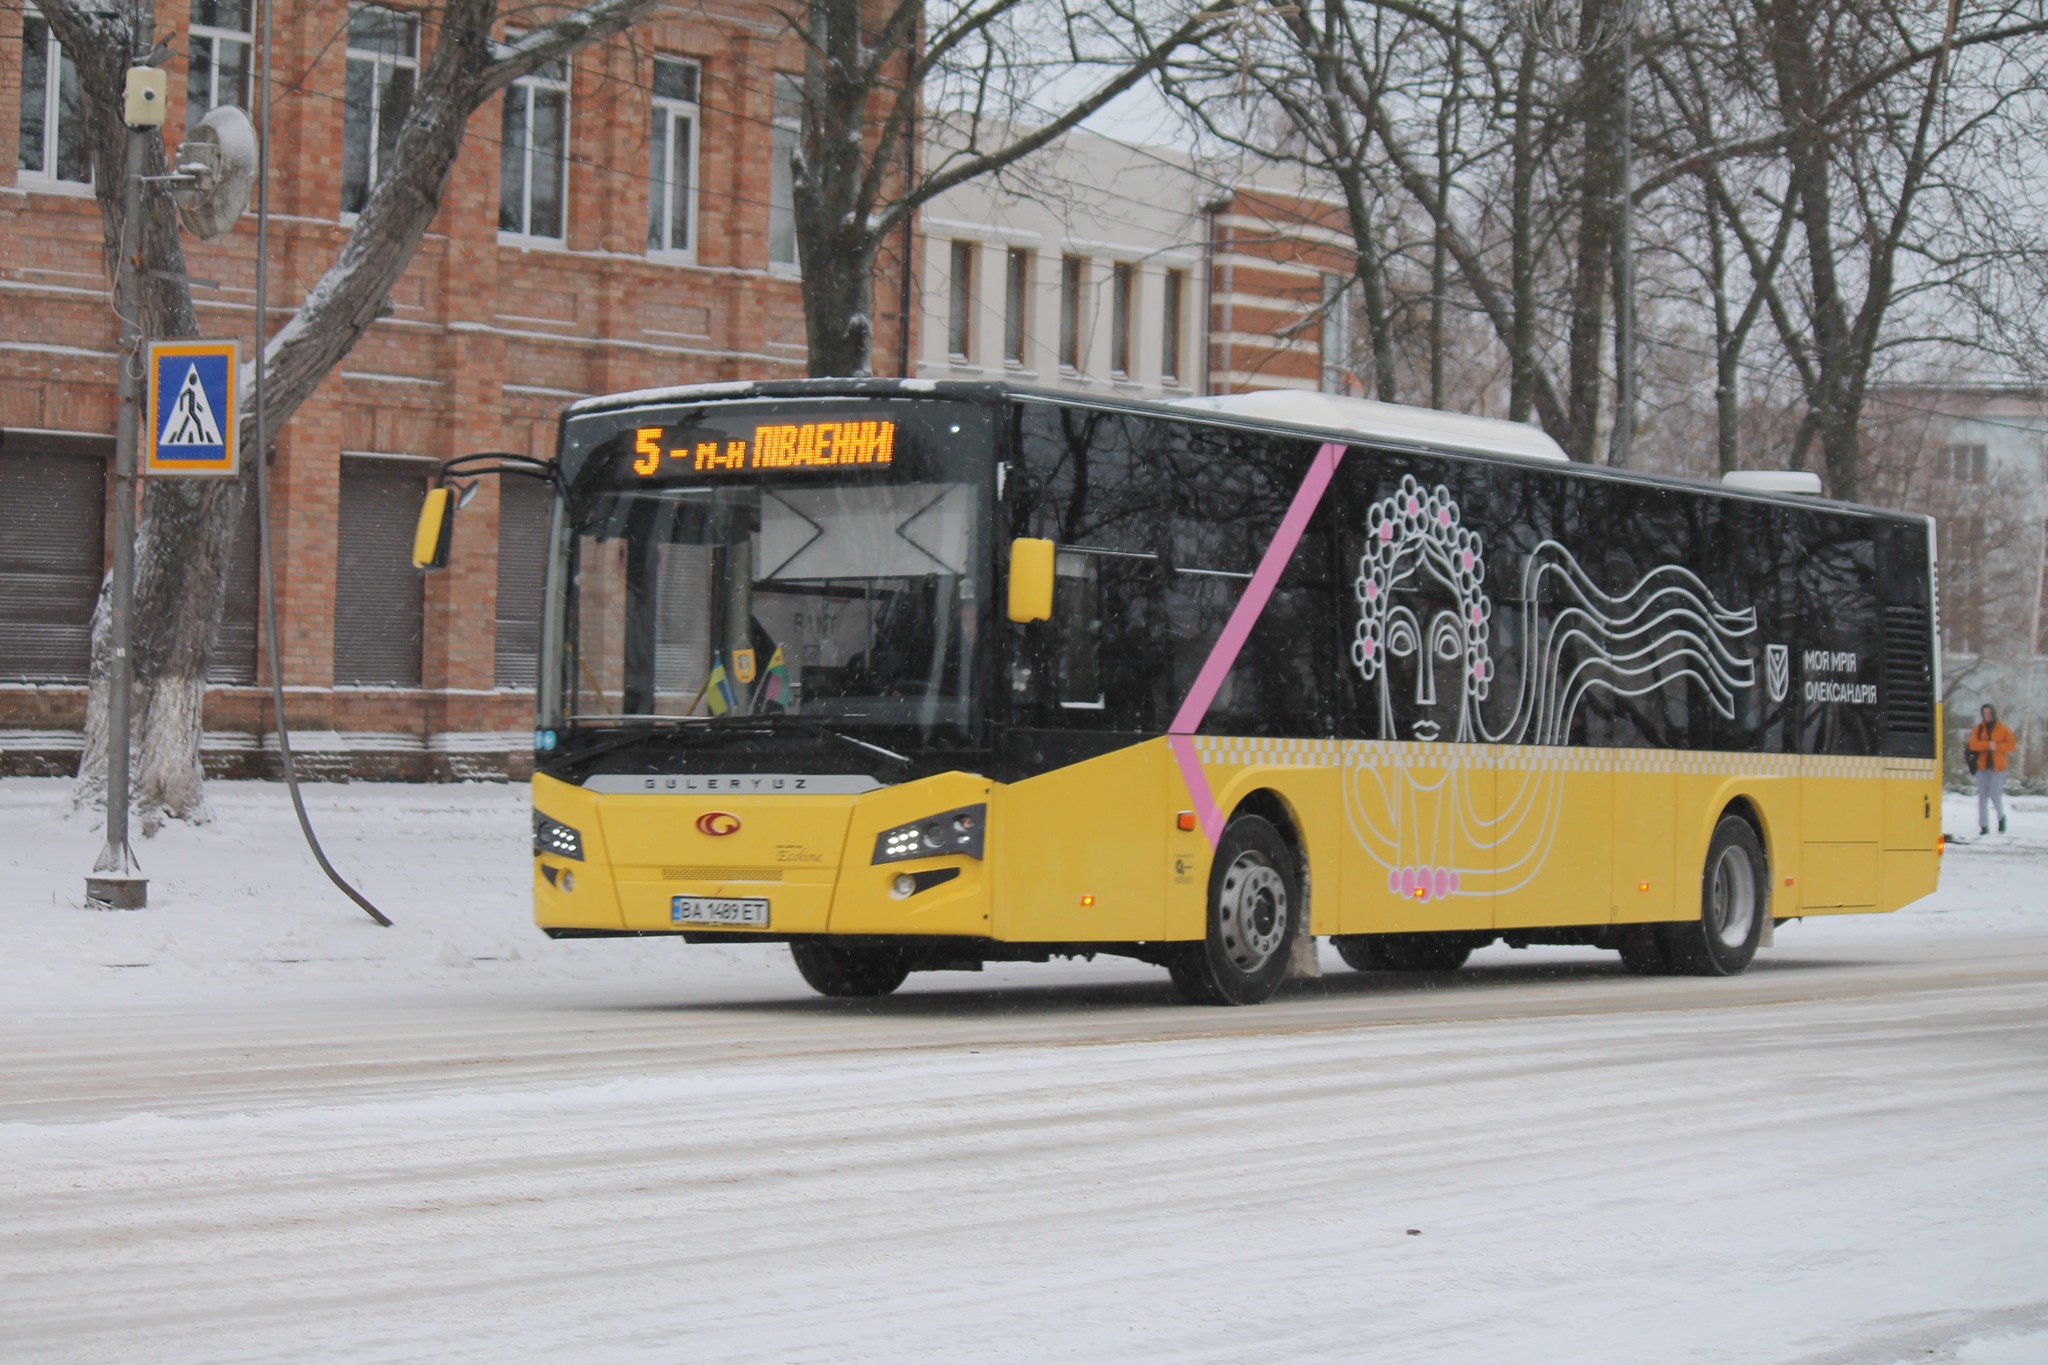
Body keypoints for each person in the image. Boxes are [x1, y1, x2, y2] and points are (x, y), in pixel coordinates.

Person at [1967, 704, 2017, 835]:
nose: (1987, 716)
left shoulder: (2003, 729)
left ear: (1993, 714)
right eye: (1985, 713)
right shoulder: (1979, 729)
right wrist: (1987, 745)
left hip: (1997, 768)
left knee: (1995, 795)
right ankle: (1983, 826)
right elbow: (1973, 744)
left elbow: (2011, 746)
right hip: (1982, 768)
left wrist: (1998, 746)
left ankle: (2001, 818)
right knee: (1982, 797)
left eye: (1989, 713)